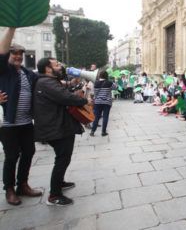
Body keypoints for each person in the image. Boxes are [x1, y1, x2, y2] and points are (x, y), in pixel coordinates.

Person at [34, 57, 88, 206]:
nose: (60, 67)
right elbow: (66, 97)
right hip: (55, 128)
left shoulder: (47, 82)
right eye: (57, 65)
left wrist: (71, 85)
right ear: (47, 69)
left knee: (63, 157)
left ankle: (60, 183)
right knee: (62, 159)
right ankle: (54, 195)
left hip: (57, 126)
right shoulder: (46, 82)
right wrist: (83, 100)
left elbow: (62, 93)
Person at [0, 28, 42, 206]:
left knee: (29, 152)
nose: (17, 56)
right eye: (14, 53)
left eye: (20, 54)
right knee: (11, 156)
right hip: (8, 124)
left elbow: (44, 81)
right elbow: (1, 52)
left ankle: (22, 184)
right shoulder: (4, 71)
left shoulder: (27, 74)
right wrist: (11, 28)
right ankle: (9, 189)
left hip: (26, 122)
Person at [90, 71, 116, 137]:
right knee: (105, 116)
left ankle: (92, 131)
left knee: (96, 117)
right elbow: (116, 87)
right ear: (106, 76)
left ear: (99, 76)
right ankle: (103, 132)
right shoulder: (109, 83)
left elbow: (94, 93)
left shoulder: (96, 83)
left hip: (98, 102)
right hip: (107, 102)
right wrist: (113, 81)